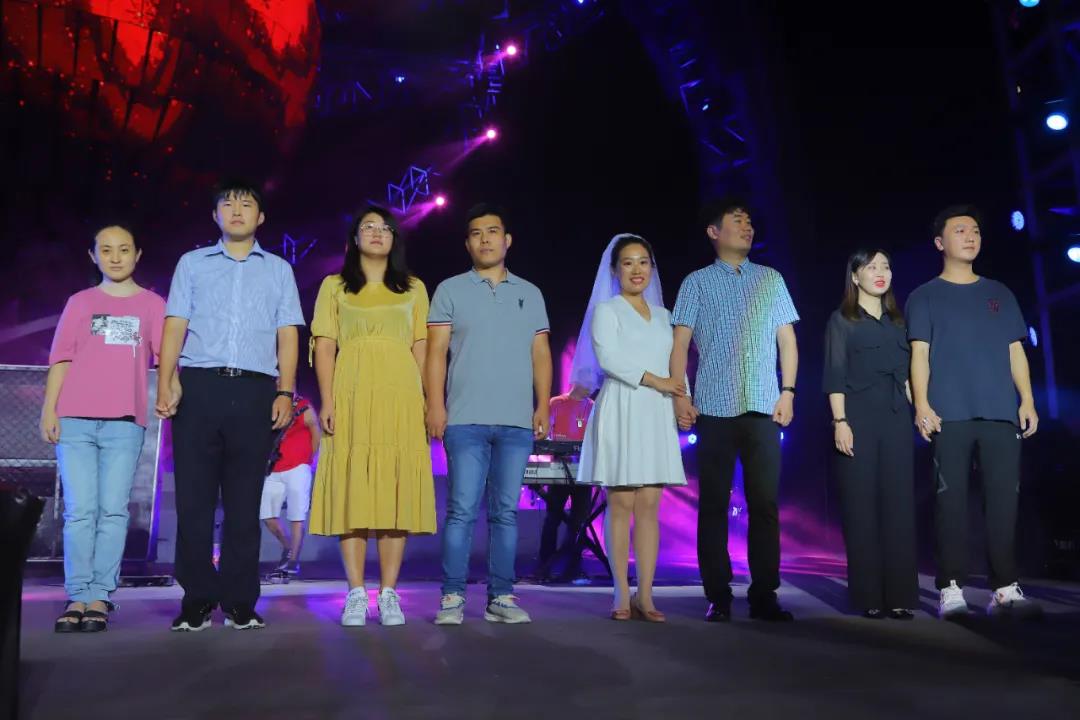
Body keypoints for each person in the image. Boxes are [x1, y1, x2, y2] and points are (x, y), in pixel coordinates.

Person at [157, 179, 304, 632]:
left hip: (256, 390)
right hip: (199, 387)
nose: (237, 210)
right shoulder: (192, 264)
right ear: (215, 215)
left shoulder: (278, 269)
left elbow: (288, 332)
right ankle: (197, 600)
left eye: (246, 203)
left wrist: (285, 391)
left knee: (244, 503)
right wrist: (165, 380)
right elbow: (175, 323)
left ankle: (240, 602)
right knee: (194, 502)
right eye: (228, 203)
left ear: (261, 217)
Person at [906, 205, 1041, 619]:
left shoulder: (999, 292)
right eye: (960, 230)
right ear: (939, 242)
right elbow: (919, 354)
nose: (970, 236)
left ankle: (1005, 588)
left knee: (1004, 503)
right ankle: (951, 588)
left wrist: (1027, 399)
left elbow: (1015, 350)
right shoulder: (924, 295)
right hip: (949, 413)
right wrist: (922, 404)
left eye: (976, 231)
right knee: (950, 503)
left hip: (1000, 412)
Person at [670, 198, 800, 623]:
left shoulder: (771, 279)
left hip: (763, 406)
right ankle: (718, 594)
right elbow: (680, 345)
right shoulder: (697, 282)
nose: (747, 227)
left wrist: (788, 391)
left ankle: (764, 594)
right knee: (713, 504)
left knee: (765, 504)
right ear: (714, 232)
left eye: (749, 221)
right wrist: (681, 396)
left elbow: (787, 340)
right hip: (713, 408)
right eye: (737, 221)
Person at [309, 205, 436, 627]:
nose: (377, 233)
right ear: (354, 239)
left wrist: (429, 400)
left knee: (394, 490)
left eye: (385, 227)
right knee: (353, 489)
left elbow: (422, 347)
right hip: (351, 392)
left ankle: (389, 593)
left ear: (395, 238)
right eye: (368, 227)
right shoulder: (334, 286)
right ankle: (355, 592)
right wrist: (327, 400)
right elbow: (324, 345)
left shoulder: (414, 287)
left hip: (400, 394)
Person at [426, 203, 552, 625]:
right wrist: (435, 404)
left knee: (506, 512)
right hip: (464, 419)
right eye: (476, 233)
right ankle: (452, 597)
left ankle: (502, 596)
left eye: (493, 231)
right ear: (467, 243)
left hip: (516, 420)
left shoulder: (530, 292)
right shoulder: (449, 290)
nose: (485, 239)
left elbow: (540, 352)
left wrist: (542, 404)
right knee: (461, 510)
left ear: (507, 240)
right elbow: (436, 353)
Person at [41, 225, 165, 633]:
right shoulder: (79, 303)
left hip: (124, 423)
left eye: (124, 249)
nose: (115, 257)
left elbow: (168, 357)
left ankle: (100, 595)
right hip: (74, 419)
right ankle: (77, 594)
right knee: (80, 511)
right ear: (93, 256)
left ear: (137, 254)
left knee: (112, 511)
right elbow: (61, 359)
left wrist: (172, 389)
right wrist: (49, 410)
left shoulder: (153, 305)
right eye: (106, 250)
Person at [577, 234, 688, 622]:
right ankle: (621, 592)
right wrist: (657, 381)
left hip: (656, 411)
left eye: (643, 262)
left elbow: (676, 363)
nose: (637, 269)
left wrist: (682, 398)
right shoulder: (607, 310)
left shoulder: (664, 315)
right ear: (615, 270)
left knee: (650, 505)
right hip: (623, 405)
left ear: (652, 268)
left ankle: (647, 594)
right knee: (622, 503)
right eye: (628, 262)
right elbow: (609, 358)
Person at [823, 249, 918, 620]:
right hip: (857, 419)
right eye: (871, 267)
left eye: (886, 267)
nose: (881, 272)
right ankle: (868, 596)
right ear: (855, 276)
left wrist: (921, 412)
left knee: (899, 506)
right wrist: (840, 421)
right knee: (861, 506)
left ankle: (900, 595)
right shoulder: (841, 320)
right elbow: (834, 374)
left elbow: (907, 377)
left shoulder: (898, 322)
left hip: (896, 419)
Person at [536, 391, 593, 583]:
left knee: (580, 521)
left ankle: (573, 567)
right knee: (553, 518)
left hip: (584, 471)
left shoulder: (592, 406)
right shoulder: (556, 403)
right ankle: (545, 566)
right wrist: (553, 446)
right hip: (559, 469)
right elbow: (544, 432)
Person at [260, 394, 319, 576]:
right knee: (267, 515)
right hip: (274, 468)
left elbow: (316, 432)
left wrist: (308, 459)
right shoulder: (268, 404)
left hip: (298, 466)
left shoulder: (303, 405)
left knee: (296, 515)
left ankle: (293, 561)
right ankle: (288, 547)